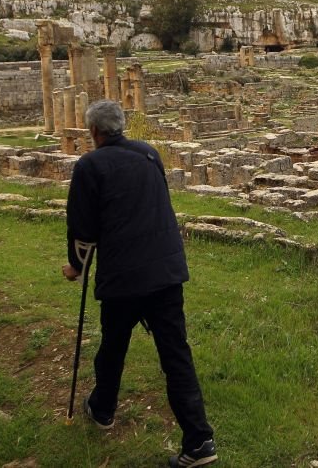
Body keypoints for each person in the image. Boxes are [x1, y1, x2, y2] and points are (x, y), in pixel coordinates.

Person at [62, 99, 217, 467]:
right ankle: (199, 443)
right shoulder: (149, 153)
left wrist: (76, 267)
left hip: (124, 275)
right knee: (176, 355)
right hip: (165, 270)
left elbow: (82, 231)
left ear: (94, 132)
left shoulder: (89, 165)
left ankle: (102, 409)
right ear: (121, 126)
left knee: (113, 346)